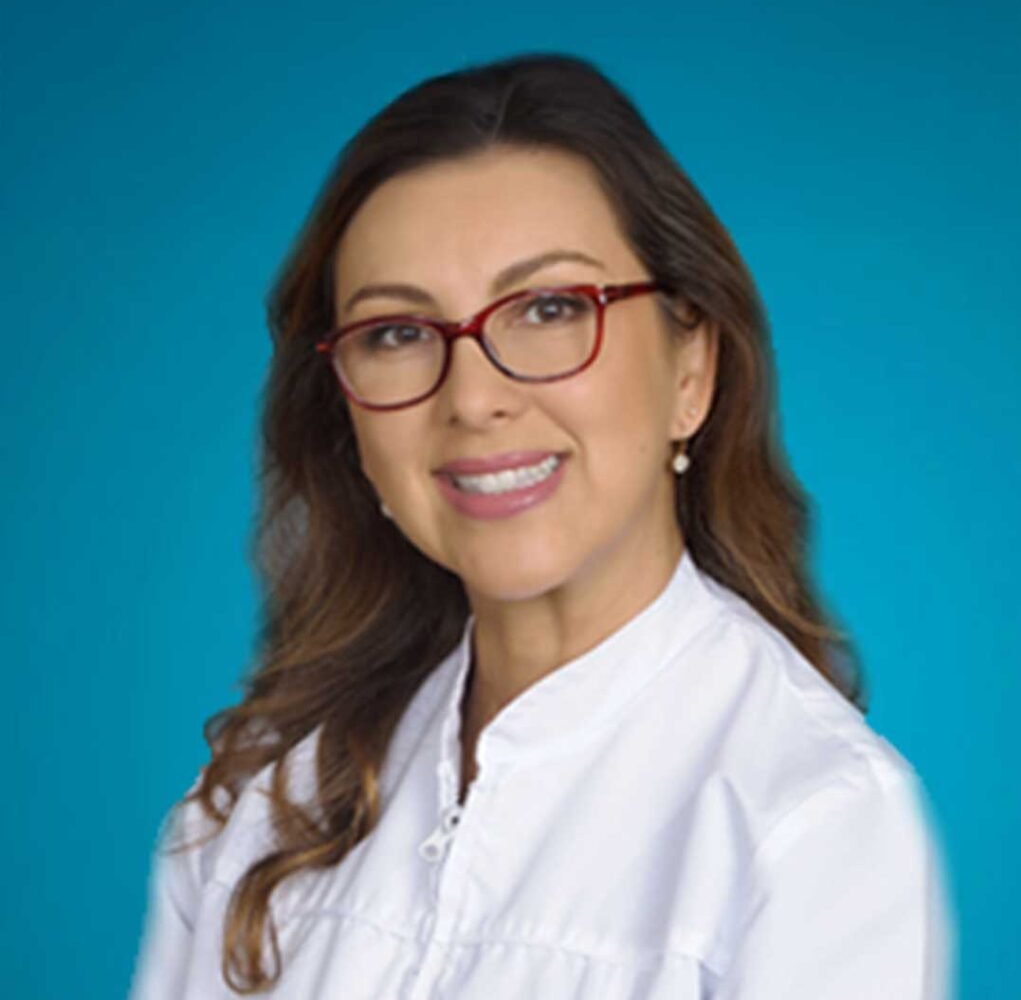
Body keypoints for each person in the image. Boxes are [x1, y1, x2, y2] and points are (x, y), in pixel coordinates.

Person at [129, 53, 954, 999]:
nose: (473, 399)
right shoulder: (255, 812)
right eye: (397, 333)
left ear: (691, 369)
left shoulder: (810, 823)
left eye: (550, 309)